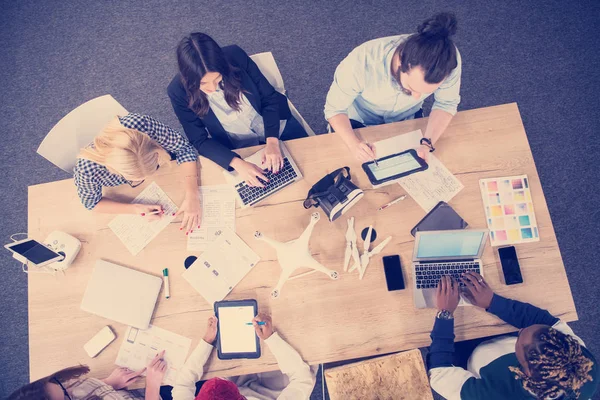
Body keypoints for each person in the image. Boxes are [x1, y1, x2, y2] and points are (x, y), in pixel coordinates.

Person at [168, 33, 307, 188]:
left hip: (275, 124)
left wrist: (273, 141)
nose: (212, 88)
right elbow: (199, 139)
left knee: (311, 165)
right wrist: (237, 163)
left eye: (217, 79)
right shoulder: (177, 91)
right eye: (203, 83)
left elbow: (269, 98)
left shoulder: (235, 55)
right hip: (237, 145)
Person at [429, 273, 598, 399]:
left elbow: (440, 374)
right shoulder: (581, 362)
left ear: (527, 372)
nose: (519, 330)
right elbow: (546, 321)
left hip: (476, 362)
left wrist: (445, 314)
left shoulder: (497, 395)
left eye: (519, 339)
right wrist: (493, 302)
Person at [324, 12, 461, 162]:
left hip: (406, 119)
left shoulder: (447, 61)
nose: (416, 97)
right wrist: (353, 144)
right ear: (401, 61)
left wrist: (427, 143)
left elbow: (446, 103)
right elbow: (334, 110)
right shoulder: (360, 63)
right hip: (358, 121)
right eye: (411, 88)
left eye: (424, 93)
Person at [74, 113, 201, 234]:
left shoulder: (140, 125)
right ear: (113, 169)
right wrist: (135, 209)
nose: (144, 179)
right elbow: (92, 204)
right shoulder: (86, 169)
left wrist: (192, 195)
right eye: (135, 178)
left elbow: (184, 149)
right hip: (128, 192)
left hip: (166, 173)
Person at [172, 314, 316, 400]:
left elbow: (183, 384)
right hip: (273, 394)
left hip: (234, 383)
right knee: (308, 349)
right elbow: (303, 379)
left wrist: (206, 341)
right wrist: (272, 338)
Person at [7, 351, 168, 400]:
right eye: (67, 396)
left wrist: (109, 383)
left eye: (59, 383)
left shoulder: (68, 390)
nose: (72, 390)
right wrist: (152, 387)